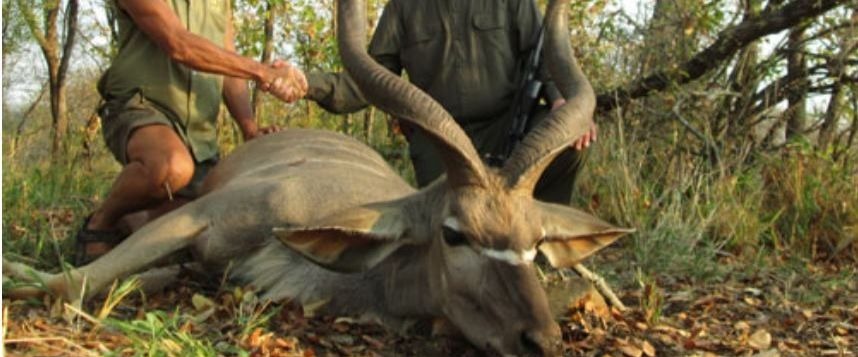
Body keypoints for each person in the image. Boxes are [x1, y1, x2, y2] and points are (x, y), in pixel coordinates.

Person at [76, 0, 308, 265]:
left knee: (216, 223)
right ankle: (100, 222)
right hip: (140, 107)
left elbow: (229, 71)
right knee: (172, 167)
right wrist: (264, 72)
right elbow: (179, 44)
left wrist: (250, 129)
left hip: (199, 133)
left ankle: (131, 218)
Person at [305, 0, 596, 203]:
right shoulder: (402, 8)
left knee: (569, 138)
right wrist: (305, 84)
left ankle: (544, 247)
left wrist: (561, 102)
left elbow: (545, 57)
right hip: (440, 141)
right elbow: (364, 81)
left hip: (505, 127)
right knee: (449, 230)